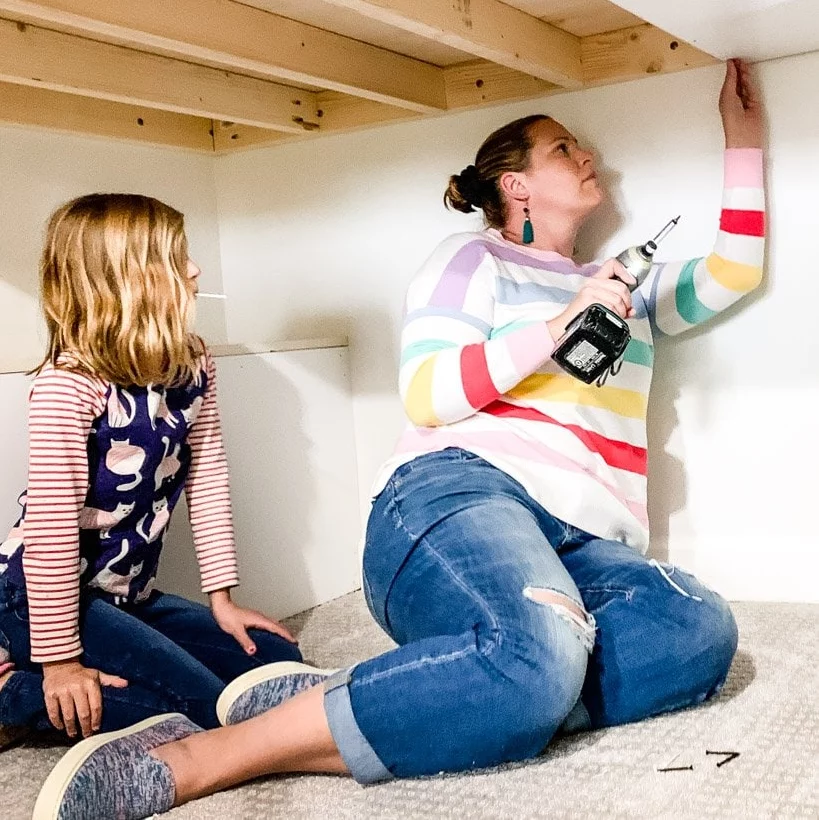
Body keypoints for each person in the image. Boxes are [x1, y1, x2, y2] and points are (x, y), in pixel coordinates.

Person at [32, 58, 765, 820]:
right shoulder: (471, 259)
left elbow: (732, 272)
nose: (589, 159)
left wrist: (741, 137)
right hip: (461, 494)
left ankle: (422, 696)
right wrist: (563, 320)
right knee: (538, 654)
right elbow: (430, 395)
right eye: (564, 150)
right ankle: (202, 758)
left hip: (585, 537)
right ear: (514, 186)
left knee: (695, 632)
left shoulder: (625, 287)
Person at [0, 194, 301, 750]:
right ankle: (17, 693)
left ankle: (66, 681)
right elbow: (50, 533)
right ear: (127, 282)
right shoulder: (67, 387)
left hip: (127, 595)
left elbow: (207, 476)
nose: (194, 269)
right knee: (202, 712)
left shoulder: (193, 362)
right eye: (176, 258)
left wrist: (223, 600)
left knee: (277, 664)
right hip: (39, 599)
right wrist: (62, 661)